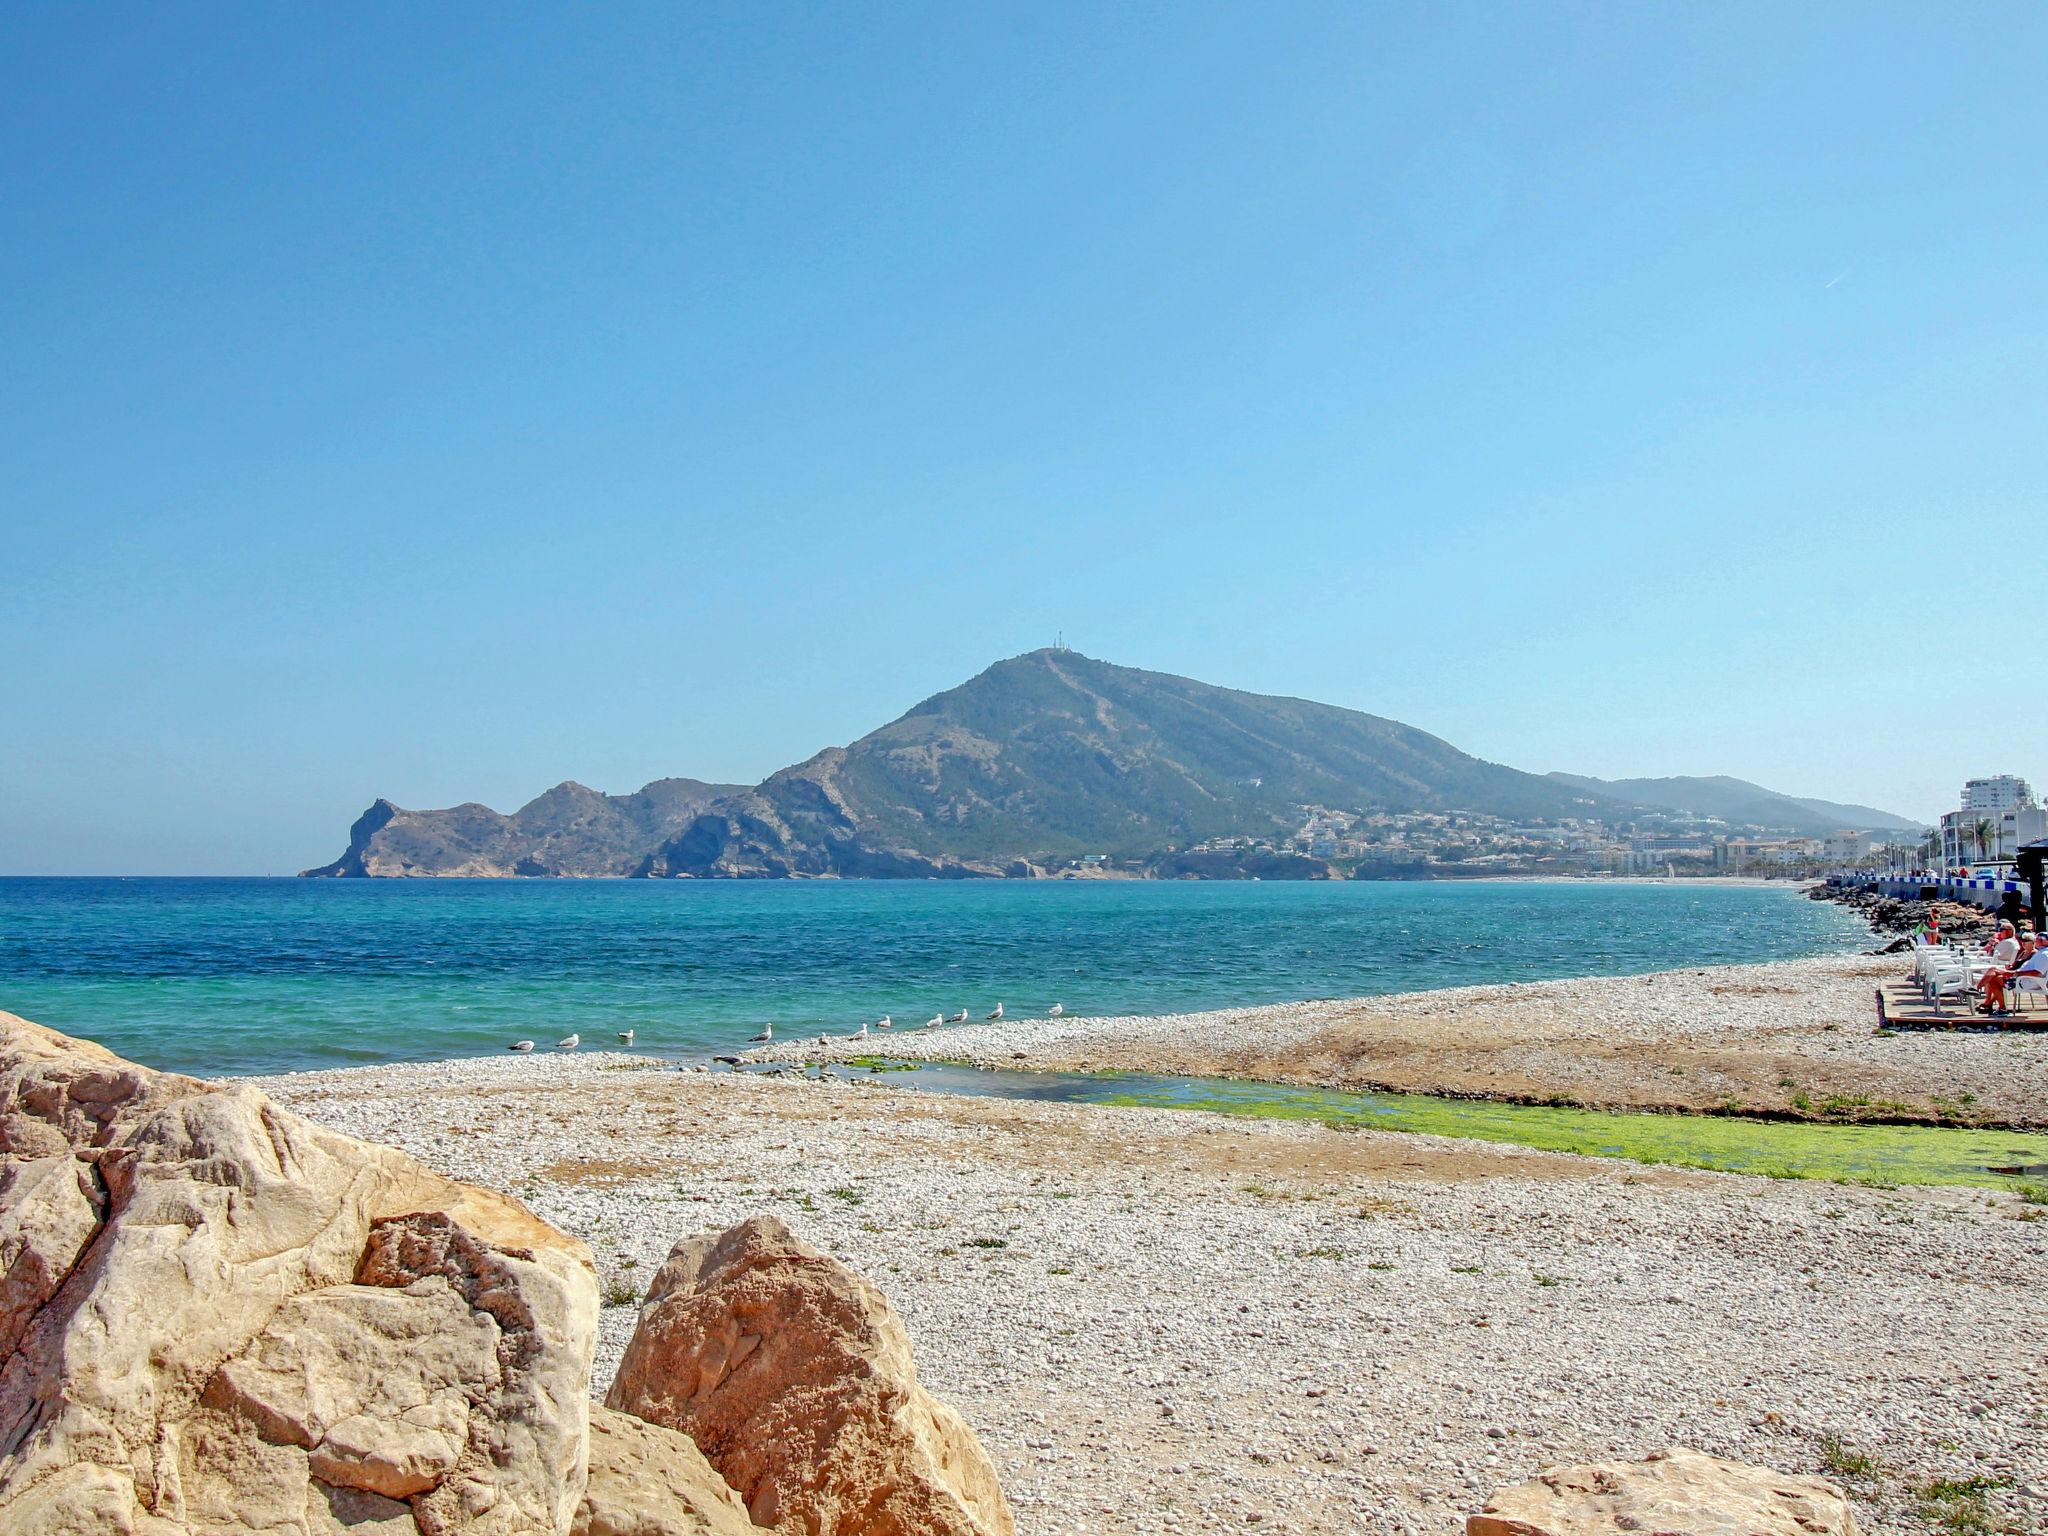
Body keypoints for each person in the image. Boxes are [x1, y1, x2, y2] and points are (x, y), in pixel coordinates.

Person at [1978, 927, 2031, 1014]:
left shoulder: (2033, 953)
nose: (2023, 942)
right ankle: (1990, 1003)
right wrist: (2011, 967)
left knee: (1993, 975)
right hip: (2014, 973)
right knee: (1993, 974)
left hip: (2021, 978)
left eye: (2026, 941)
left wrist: (2011, 971)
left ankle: (1980, 992)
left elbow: (2031, 970)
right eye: (2022, 940)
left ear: (2033, 942)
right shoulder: (2024, 952)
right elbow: (2017, 964)